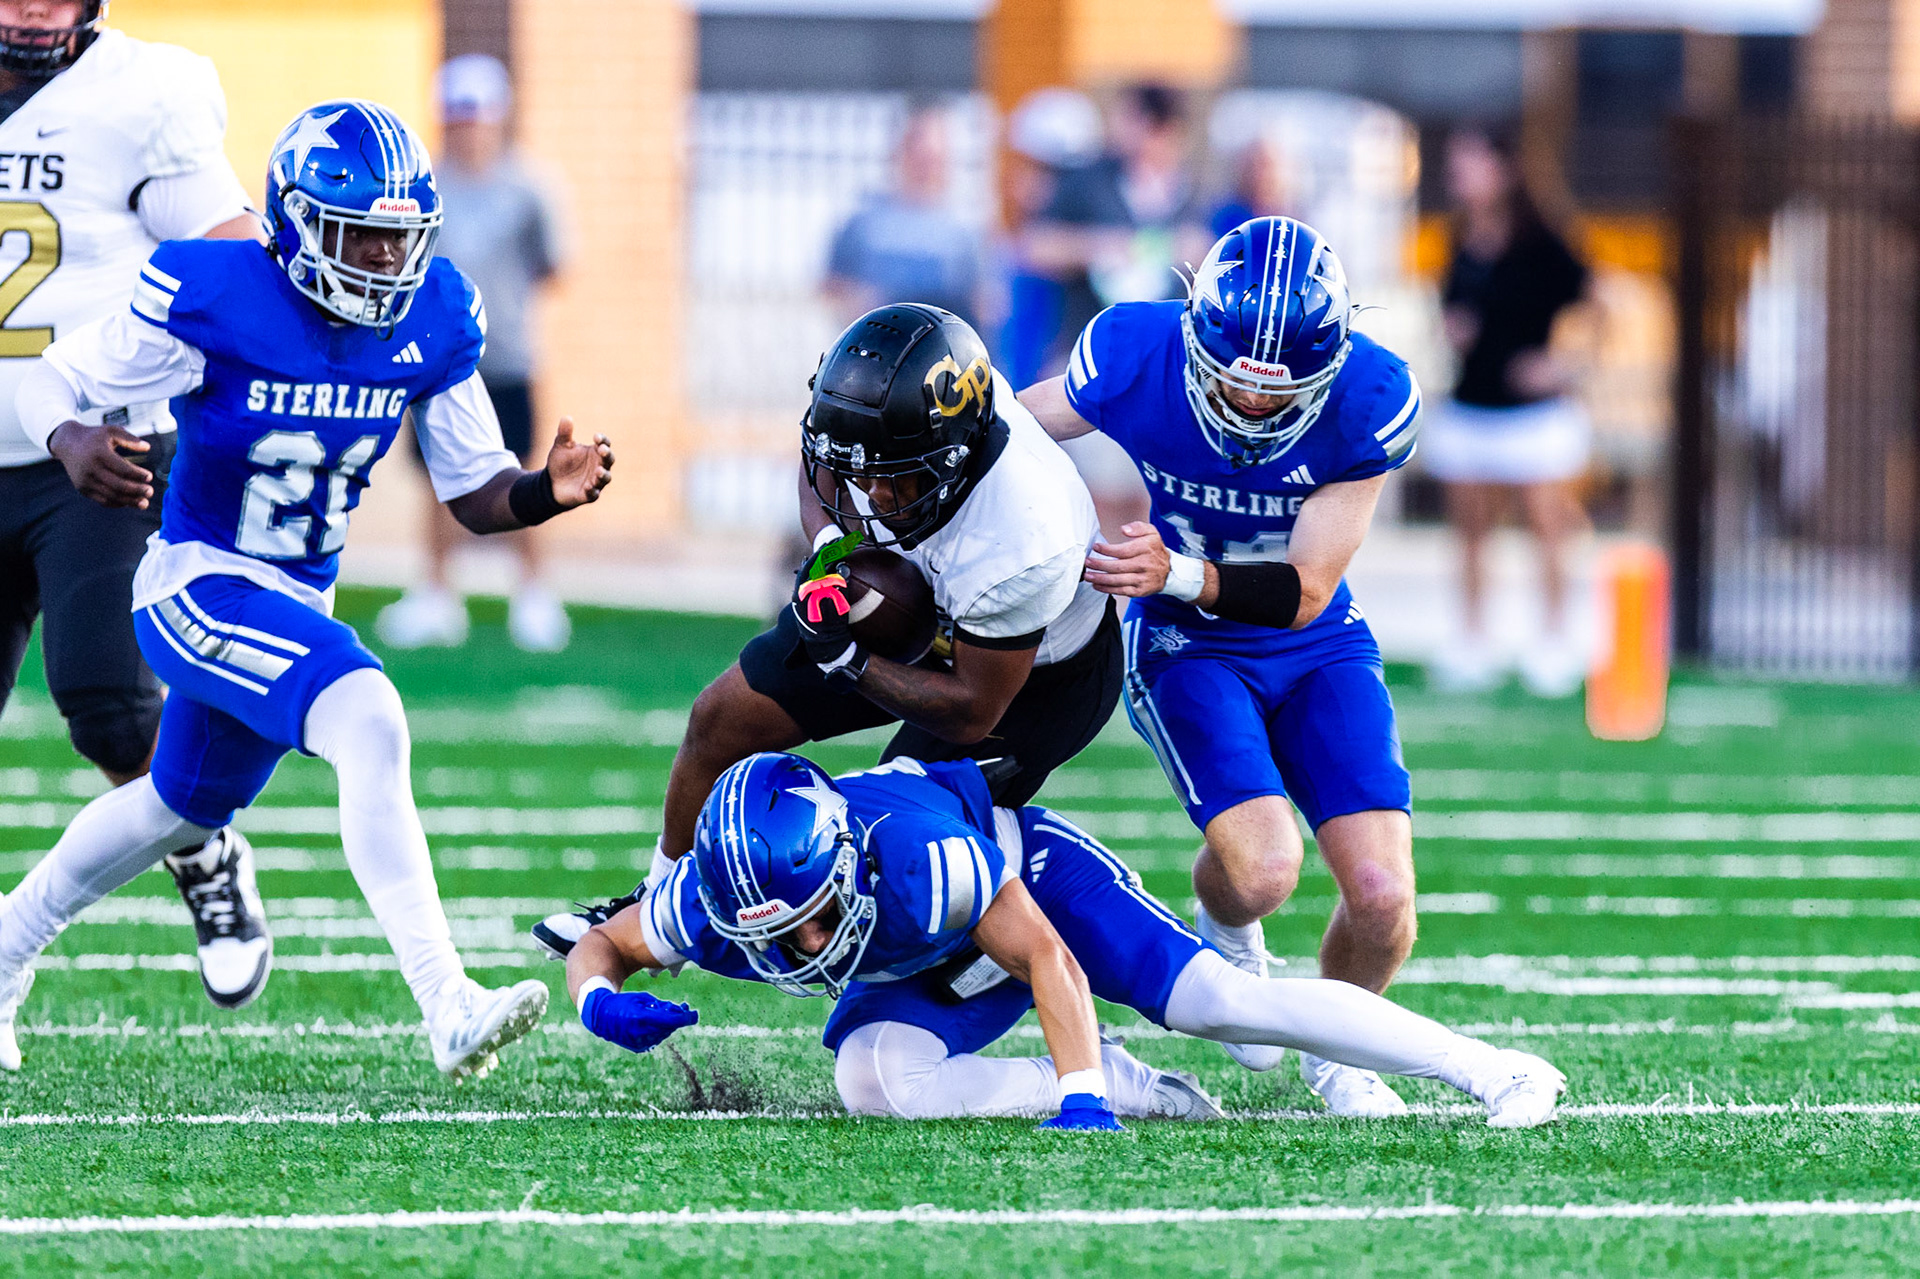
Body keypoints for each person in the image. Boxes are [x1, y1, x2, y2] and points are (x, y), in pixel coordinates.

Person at [0, 99, 615, 1078]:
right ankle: (447, 1000)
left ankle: (4, 947)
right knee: (369, 716)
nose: (383, 258)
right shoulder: (216, 290)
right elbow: (49, 378)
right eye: (359, 234)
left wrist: (544, 490)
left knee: (176, 809)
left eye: (398, 237)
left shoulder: (434, 312)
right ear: (295, 224)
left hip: (293, 603)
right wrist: (70, 439)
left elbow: (474, 491)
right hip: (196, 582)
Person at [544, 751, 1565, 1129]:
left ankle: (1494, 1068)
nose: (803, 942)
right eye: (774, 929)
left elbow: (1043, 957)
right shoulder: (715, 898)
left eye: (810, 911)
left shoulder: (923, 858)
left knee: (1227, 1010)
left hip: (1027, 889)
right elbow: (602, 944)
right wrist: (598, 1001)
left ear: (843, 858)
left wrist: (1076, 1094)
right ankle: (1122, 1075)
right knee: (874, 1079)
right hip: (925, 953)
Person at [546, 302, 1120, 944]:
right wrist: (828, 550)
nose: (873, 495)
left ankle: (1020, 969)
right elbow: (820, 460)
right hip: (913, 604)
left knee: (898, 839)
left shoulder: (1027, 532)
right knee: (721, 719)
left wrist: (849, 661)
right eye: (864, 472)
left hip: (1033, 679)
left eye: (896, 479)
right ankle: (653, 908)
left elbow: (972, 709)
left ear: (952, 456)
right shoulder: (896, 432)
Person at [1017, 216, 1424, 1118]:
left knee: (1383, 897)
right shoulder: (1138, 351)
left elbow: (1307, 590)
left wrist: (1177, 570)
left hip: (1313, 641)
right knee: (1263, 870)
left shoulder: (1370, 394)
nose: (1249, 404)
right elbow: (1011, 427)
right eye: (1233, 379)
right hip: (1187, 643)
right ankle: (1230, 924)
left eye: (1279, 391)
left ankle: (1339, 1052)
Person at [0, 0, 271, 1008]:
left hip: (98, 453)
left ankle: (205, 855)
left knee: (110, 707)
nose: (34, 6)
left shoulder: (141, 94)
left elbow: (231, 256)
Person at [376, 54, 572, 653]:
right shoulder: (424, 187)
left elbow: (552, 264)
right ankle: (438, 593)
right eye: (459, 117)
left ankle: (532, 593)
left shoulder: (528, 188)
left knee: (522, 467)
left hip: (508, 353)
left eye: (477, 117)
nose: (469, 129)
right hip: (437, 355)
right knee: (437, 476)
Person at [1424, 127, 1594, 697]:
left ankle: (1554, 641)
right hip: (1471, 405)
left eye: (1470, 162)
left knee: (1547, 528)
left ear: (1503, 169)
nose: (1458, 175)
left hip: (1533, 415)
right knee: (1471, 532)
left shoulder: (1543, 239)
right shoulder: (1457, 236)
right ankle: (1473, 641)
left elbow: (1601, 305)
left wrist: (1564, 366)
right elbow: (1451, 309)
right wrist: (1452, 331)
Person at [1024, 84, 1210, 372]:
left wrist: (1195, 254)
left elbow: (1207, 253)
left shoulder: (1191, 193)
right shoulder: (1090, 180)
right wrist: (1102, 246)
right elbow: (1037, 246)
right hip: (1089, 348)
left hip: (1162, 356)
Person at [821, 103, 987, 331]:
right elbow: (831, 285)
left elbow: (982, 300)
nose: (925, 164)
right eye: (918, 152)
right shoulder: (864, 223)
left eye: (933, 156)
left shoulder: (964, 230)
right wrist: (857, 300)